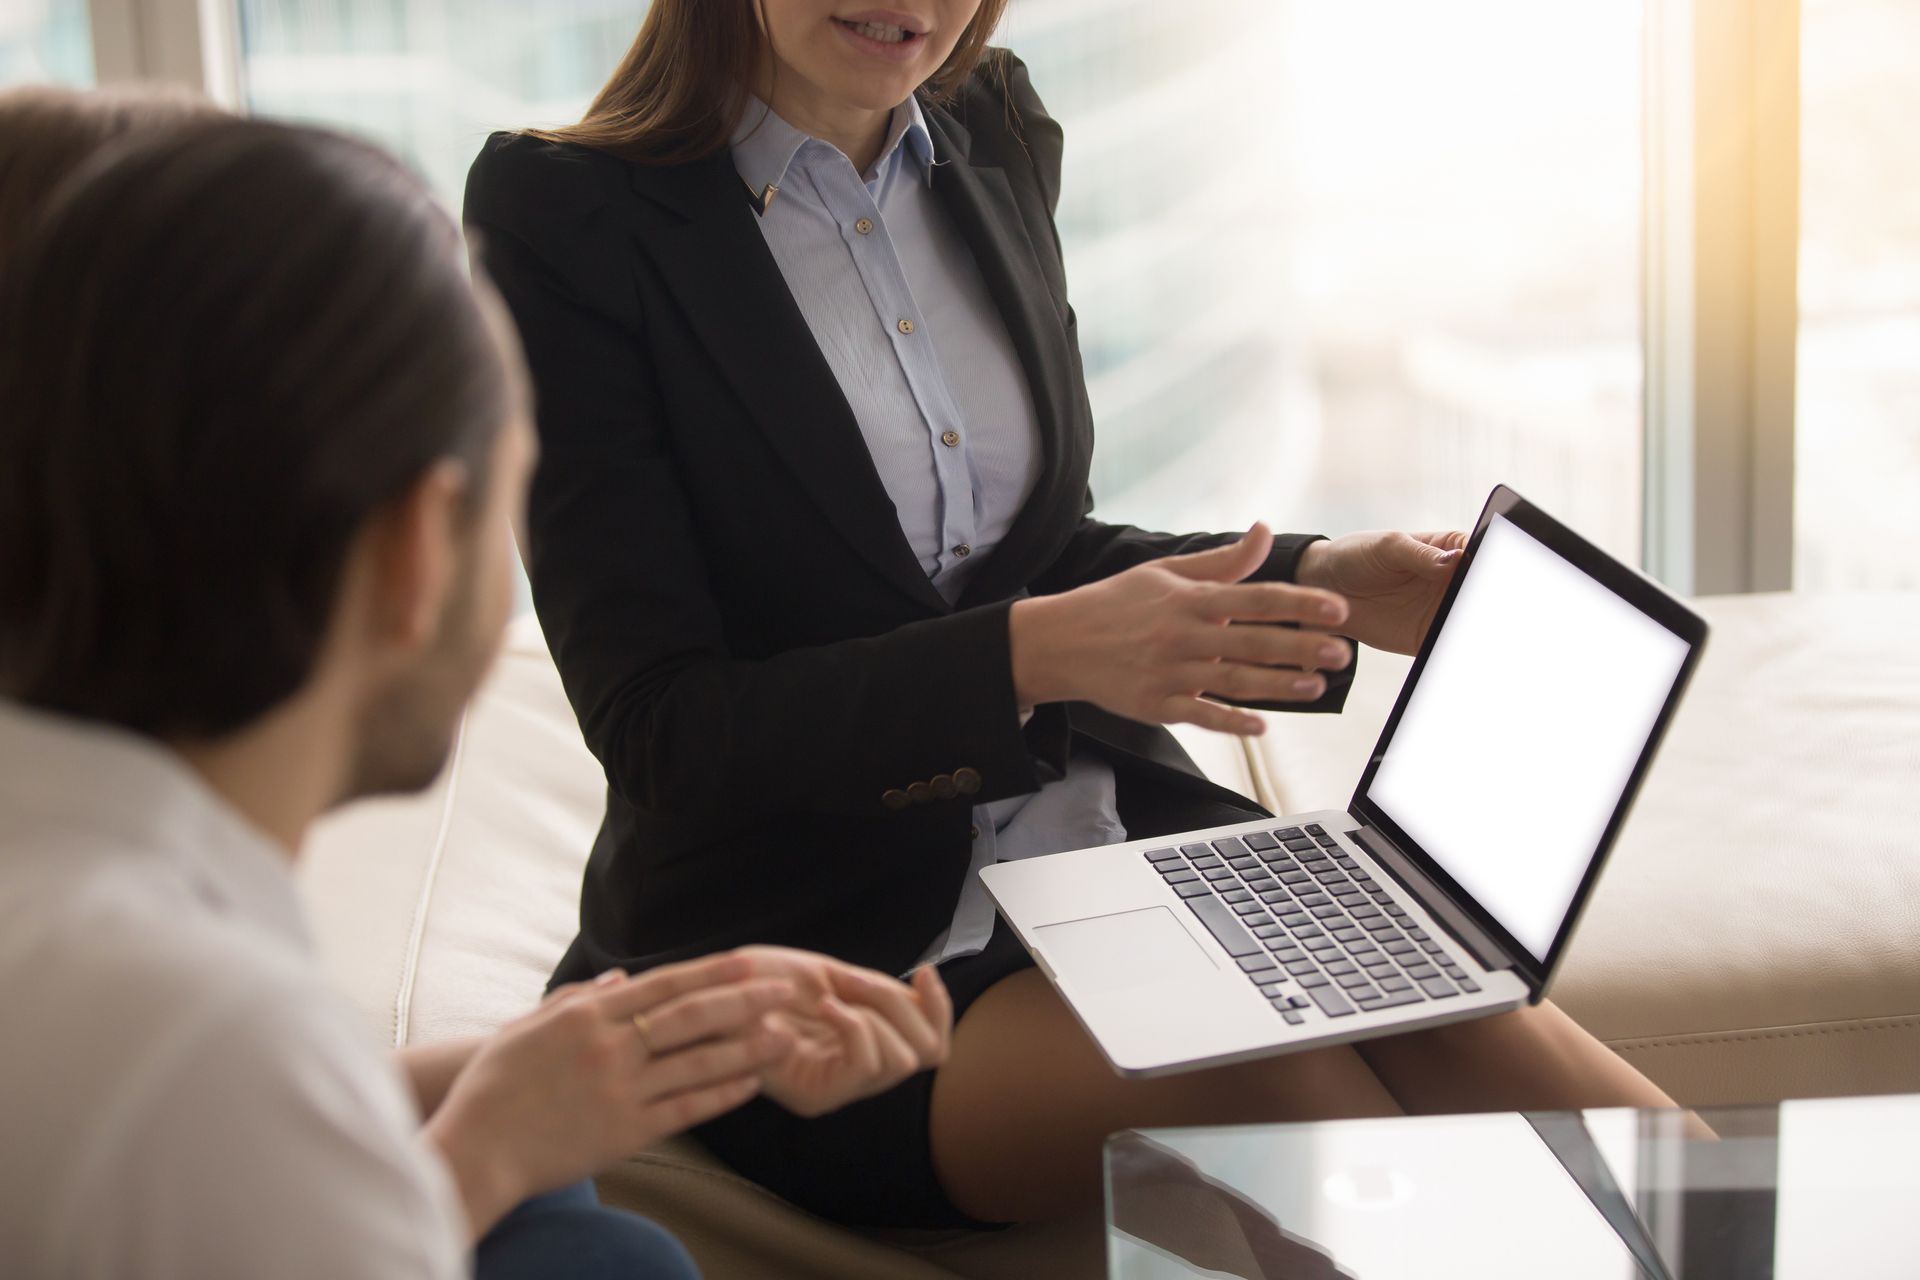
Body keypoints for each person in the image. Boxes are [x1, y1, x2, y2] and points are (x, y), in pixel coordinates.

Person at [463, 0, 1681, 1232]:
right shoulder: (566, 217)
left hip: (1093, 831)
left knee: (1574, 1093)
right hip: (809, 932)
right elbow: (663, 724)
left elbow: (1032, 549)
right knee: (1338, 1132)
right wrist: (1025, 658)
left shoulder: (990, 123)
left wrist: (1327, 579)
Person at [0, 108, 951, 1279]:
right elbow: (232, 1113)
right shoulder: (203, 1036)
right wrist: (491, 1150)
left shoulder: (80, 900)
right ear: (412, 555)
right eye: (507, 501)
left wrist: (604, 1050)